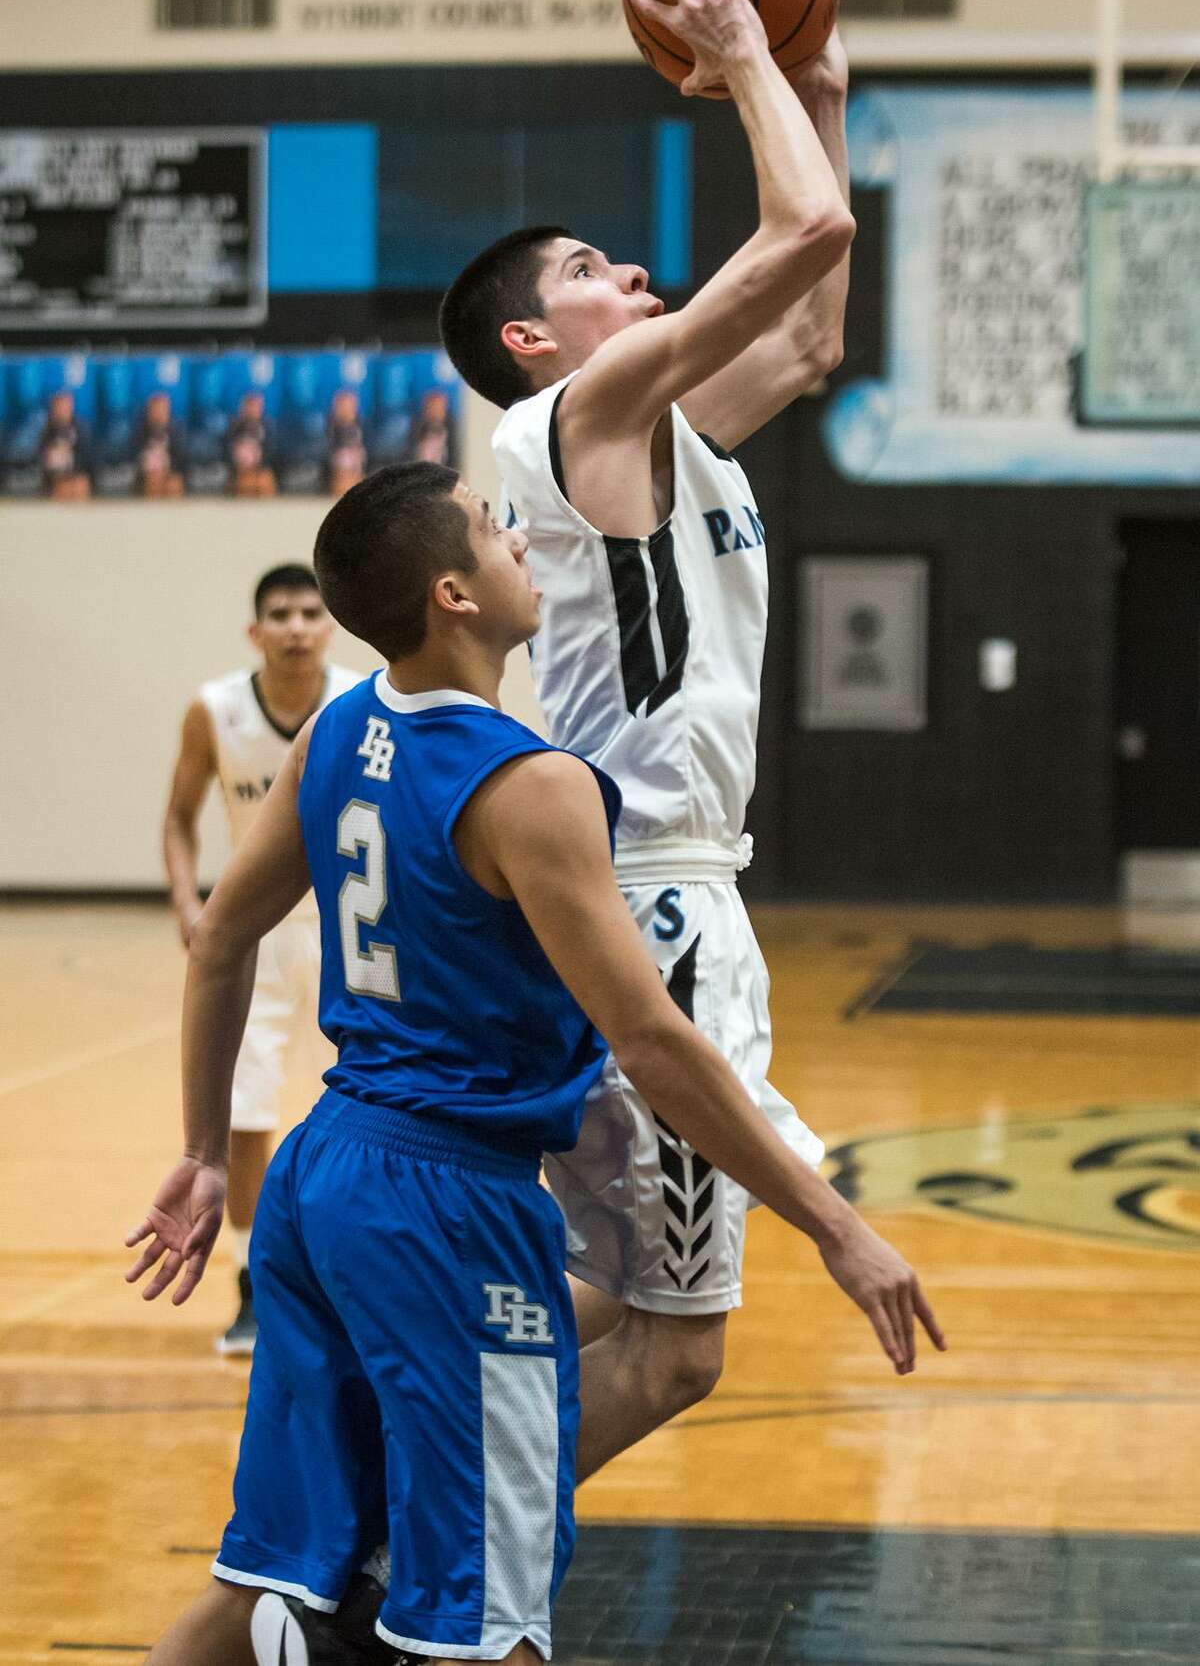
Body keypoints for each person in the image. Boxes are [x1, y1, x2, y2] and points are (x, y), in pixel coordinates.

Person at [125, 461, 942, 1666]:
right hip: (451, 1203)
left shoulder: (338, 728)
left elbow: (225, 935)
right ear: (453, 593)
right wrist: (833, 1223)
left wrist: (203, 1153)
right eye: (495, 528)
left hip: (322, 1174)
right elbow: (656, 1040)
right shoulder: (532, 785)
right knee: (489, 1621)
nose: (520, 538)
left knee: (275, 1576)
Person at [437, 0, 857, 1479]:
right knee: (679, 1350)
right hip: (655, 902)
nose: (627, 270)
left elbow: (812, 328)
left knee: (624, 1303)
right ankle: (417, 1576)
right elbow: (803, 234)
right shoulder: (573, 415)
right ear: (532, 345)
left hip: (681, 894)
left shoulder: (663, 432)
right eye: (585, 272)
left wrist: (819, 86)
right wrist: (756, 56)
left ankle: (398, 1484)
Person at [162, 563, 361, 1354]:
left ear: (330, 625)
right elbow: (178, 818)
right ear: (255, 631)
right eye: (278, 614)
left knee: (356, 1107)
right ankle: (252, 1279)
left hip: (348, 927)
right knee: (242, 1117)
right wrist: (188, 905)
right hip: (258, 935)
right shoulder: (214, 710)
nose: (295, 626)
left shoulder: (359, 700)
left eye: (310, 611)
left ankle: (343, 1275)